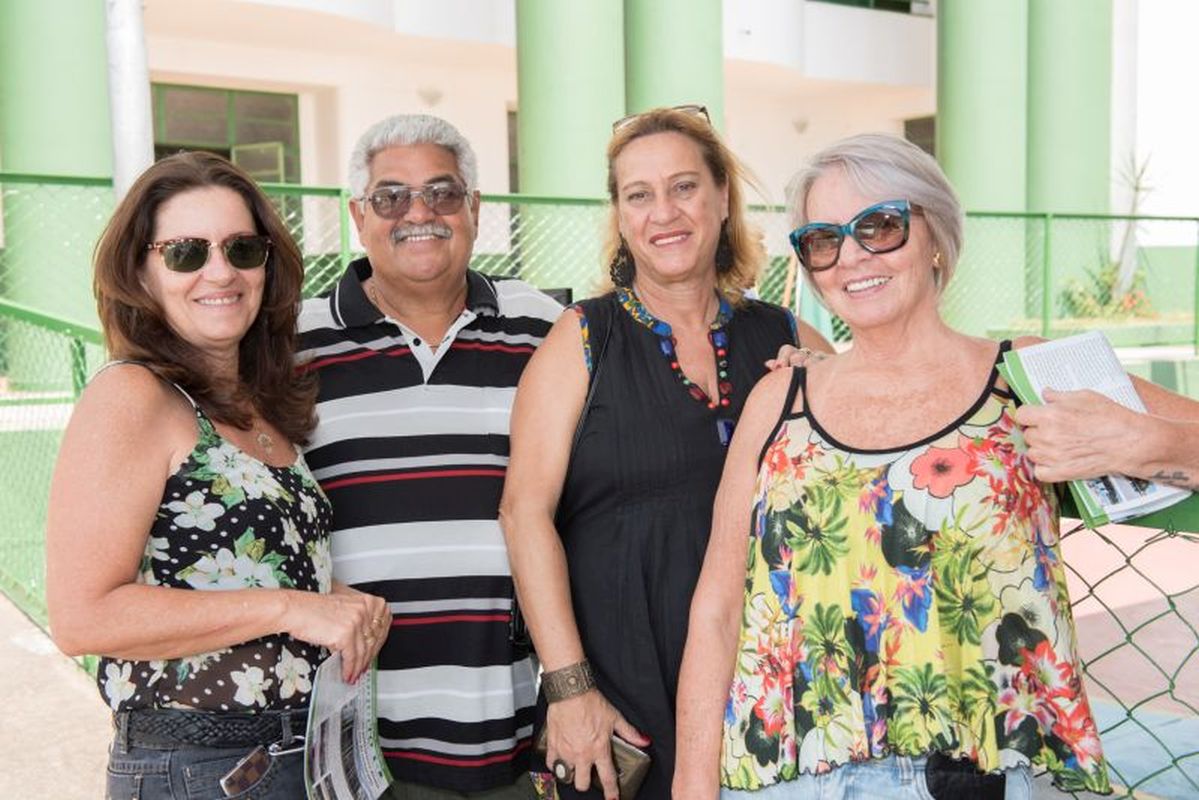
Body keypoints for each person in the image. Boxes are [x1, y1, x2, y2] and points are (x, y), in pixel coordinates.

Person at [673, 132, 1199, 799]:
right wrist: (692, 783)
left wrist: (1141, 441)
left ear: (935, 237)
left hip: (975, 775)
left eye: (879, 226)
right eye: (823, 240)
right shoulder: (779, 398)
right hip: (785, 777)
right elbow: (718, 608)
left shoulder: (1026, 373)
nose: (851, 256)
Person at [499, 105, 835, 800]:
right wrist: (569, 688)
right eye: (638, 195)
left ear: (721, 197)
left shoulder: (788, 337)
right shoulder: (581, 340)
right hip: (625, 706)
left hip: (775, 692)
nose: (664, 213)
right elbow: (522, 514)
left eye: (683, 187)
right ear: (621, 218)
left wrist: (820, 393)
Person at [45, 151, 390, 800]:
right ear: (140, 271)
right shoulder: (133, 396)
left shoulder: (256, 406)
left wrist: (340, 602)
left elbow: (232, 567)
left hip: (297, 753)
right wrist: (293, 608)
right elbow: (82, 617)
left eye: (242, 249)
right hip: (202, 765)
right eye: (185, 253)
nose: (220, 271)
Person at [297, 114, 562, 798]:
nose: (418, 213)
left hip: (515, 726)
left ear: (475, 208)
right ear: (359, 217)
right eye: (390, 197)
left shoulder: (544, 328)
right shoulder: (292, 344)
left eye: (442, 193)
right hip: (360, 740)